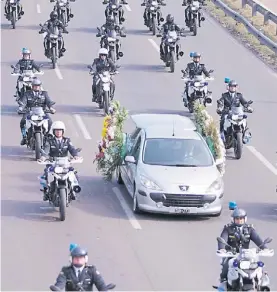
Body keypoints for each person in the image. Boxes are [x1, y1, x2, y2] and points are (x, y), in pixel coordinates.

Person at [217, 208, 267, 283]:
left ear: (245, 219)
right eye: (237, 218)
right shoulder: (228, 229)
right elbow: (222, 238)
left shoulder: (250, 229)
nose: (239, 220)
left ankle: (260, 280)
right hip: (232, 254)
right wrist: (222, 249)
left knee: (257, 264)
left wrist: (264, 248)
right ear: (233, 219)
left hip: (245, 254)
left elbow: (257, 239)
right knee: (226, 264)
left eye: (241, 218)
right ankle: (224, 279)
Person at [39, 121, 80, 201]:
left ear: (63, 131)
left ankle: (73, 190)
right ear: (54, 131)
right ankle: (46, 191)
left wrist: (76, 156)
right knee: (45, 175)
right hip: (53, 163)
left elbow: (72, 149)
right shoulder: (49, 141)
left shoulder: (67, 140)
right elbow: (46, 150)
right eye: (56, 130)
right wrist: (43, 157)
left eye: (60, 130)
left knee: (74, 174)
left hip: (65, 164)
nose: (58, 132)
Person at [18, 79, 55, 146]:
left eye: (38, 86)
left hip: (42, 112)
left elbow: (49, 102)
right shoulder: (27, 94)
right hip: (30, 112)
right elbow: (23, 102)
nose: (36, 87)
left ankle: (48, 136)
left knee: (50, 122)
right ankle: (24, 137)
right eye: (35, 86)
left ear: (40, 86)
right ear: (32, 86)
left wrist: (51, 108)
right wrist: (21, 108)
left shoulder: (44, 93)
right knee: (22, 122)